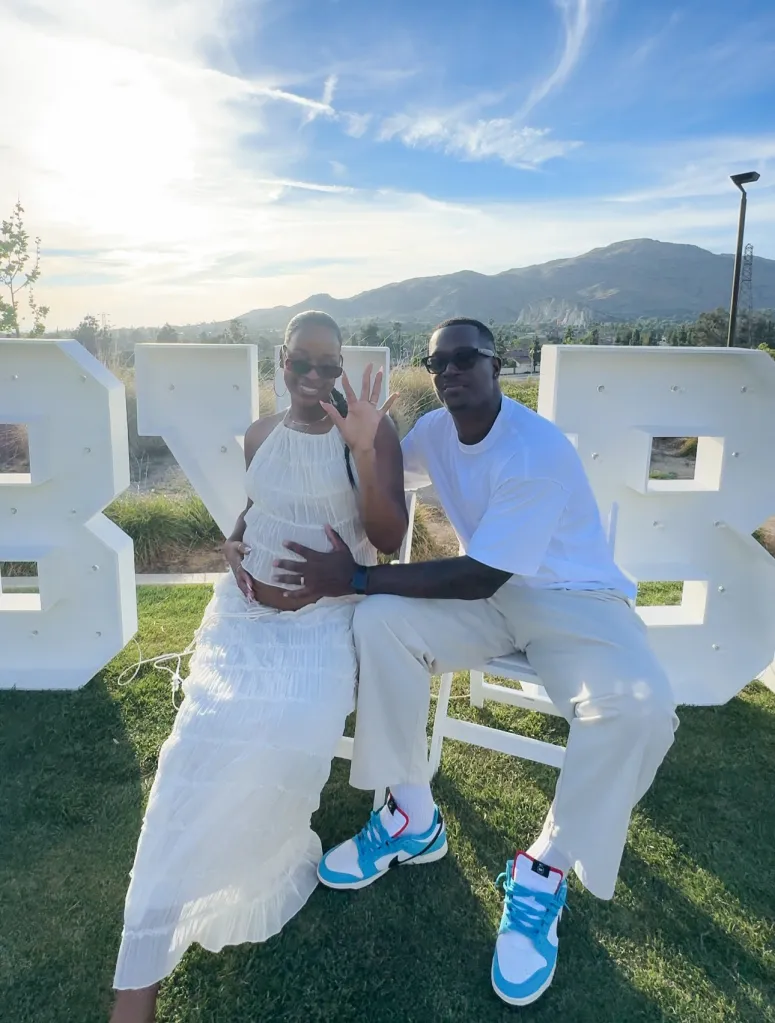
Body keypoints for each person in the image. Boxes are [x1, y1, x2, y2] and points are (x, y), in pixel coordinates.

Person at [272, 318, 679, 1008]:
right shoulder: (435, 429)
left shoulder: (533, 448)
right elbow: (381, 482)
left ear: (496, 363)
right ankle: (411, 812)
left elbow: (478, 573)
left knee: (639, 709)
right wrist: (364, 442)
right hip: (496, 601)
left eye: (465, 357)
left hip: (574, 602)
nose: (451, 370)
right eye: (438, 362)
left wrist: (357, 577)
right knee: (382, 625)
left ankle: (542, 869)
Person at [110, 311, 407, 1023]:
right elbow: (257, 505)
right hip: (242, 621)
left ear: (341, 367)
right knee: (190, 751)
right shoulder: (260, 434)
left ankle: (245, 864)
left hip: (321, 620)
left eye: (326, 366)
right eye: (299, 364)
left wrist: (364, 451)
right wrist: (235, 542)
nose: (312, 379)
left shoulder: (367, 432)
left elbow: (390, 538)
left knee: (285, 726)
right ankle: (135, 985)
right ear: (280, 361)